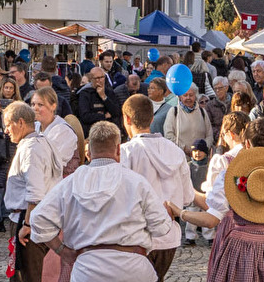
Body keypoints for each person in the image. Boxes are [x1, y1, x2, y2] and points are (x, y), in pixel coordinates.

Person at [170, 118, 264, 282]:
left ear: (247, 144)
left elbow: (210, 220)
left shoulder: (231, 172)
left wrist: (180, 212)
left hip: (240, 248)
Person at [29, 121, 173, 282]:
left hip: (88, 270)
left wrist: (61, 250)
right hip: (133, 268)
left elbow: (38, 219)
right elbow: (161, 228)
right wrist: (167, 217)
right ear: (118, 149)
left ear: (89, 151)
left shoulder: (69, 184)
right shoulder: (137, 182)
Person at [120, 95, 189, 281]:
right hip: (169, 237)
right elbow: (187, 198)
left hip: (138, 237)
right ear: (152, 118)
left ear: (126, 119)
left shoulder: (126, 152)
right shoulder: (176, 151)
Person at [4, 102, 60, 282]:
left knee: (27, 277)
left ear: (20, 122)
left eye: (8, 124)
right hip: (33, 218)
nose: (6, 130)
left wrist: (27, 224)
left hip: (29, 220)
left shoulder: (32, 148)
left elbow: (35, 191)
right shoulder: (38, 142)